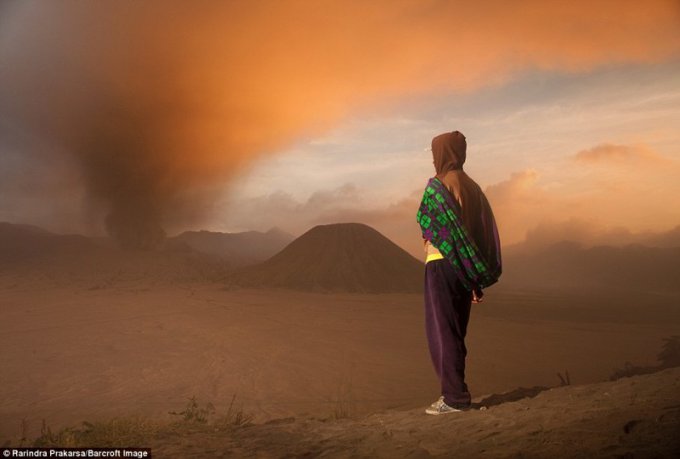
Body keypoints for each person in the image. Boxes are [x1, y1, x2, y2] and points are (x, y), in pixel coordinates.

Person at [416, 130, 502, 415]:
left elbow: (432, 230)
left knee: (444, 332)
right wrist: (474, 281)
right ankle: (456, 393)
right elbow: (477, 237)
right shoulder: (474, 188)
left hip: (441, 266)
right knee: (456, 332)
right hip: (464, 271)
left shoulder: (437, 186)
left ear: (441, 154)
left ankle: (454, 398)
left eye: (434, 153)